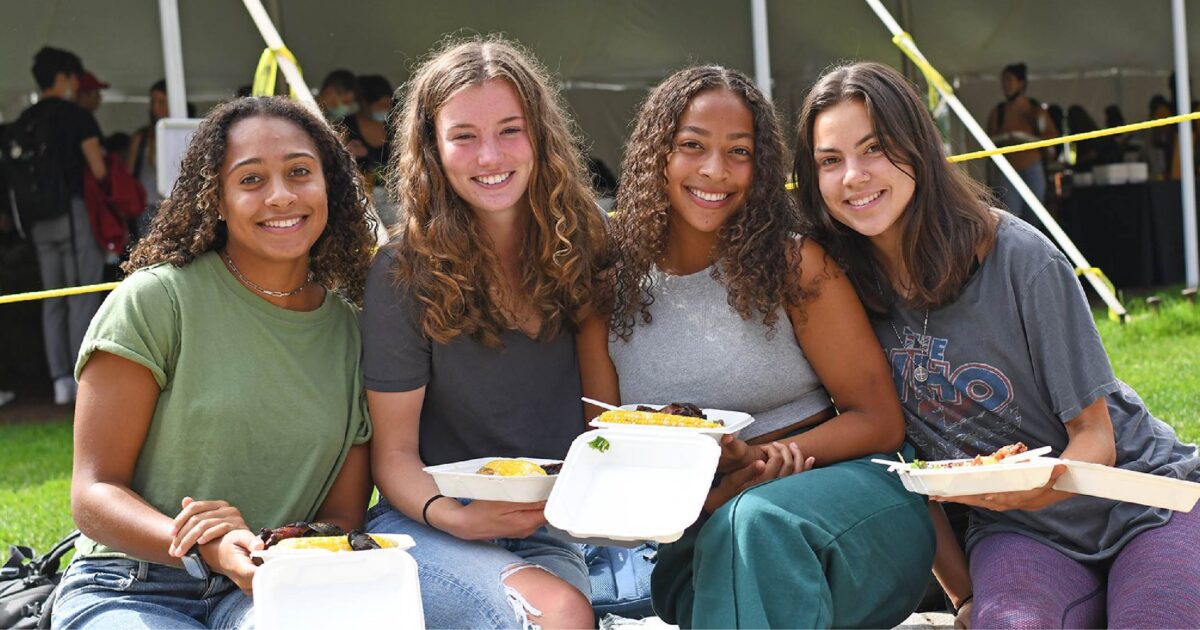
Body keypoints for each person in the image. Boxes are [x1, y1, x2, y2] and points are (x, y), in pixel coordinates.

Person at [792, 61, 1200, 629]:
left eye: (875, 149)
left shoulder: (1020, 259)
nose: (853, 176)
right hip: (1018, 532)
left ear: (918, 148)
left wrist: (1033, 490)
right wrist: (963, 598)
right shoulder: (839, 294)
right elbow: (895, 461)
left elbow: (1096, 438)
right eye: (829, 161)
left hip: (1148, 503)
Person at [576, 65, 935, 629]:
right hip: (702, 533)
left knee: (756, 525)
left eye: (739, 152)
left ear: (760, 166)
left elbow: (880, 421)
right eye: (692, 146)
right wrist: (714, 499)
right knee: (739, 536)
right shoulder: (606, 295)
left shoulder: (794, 265)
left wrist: (767, 463)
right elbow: (604, 454)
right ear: (657, 156)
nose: (715, 171)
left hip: (855, 506)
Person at [52, 96, 377, 628]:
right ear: (217, 199)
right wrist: (207, 546)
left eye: (300, 172)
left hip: (272, 586)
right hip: (134, 584)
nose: (280, 195)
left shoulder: (352, 333)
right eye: (250, 180)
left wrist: (270, 550)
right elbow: (93, 494)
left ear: (330, 188)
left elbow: (340, 518)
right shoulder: (157, 301)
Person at [362, 38, 607, 629]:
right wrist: (457, 517)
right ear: (434, 149)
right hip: (428, 527)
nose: (489, 155)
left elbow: (605, 419)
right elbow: (392, 456)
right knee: (559, 614)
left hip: (547, 530)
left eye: (510, 130)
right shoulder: (403, 268)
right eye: (463, 136)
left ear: (540, 136)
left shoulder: (590, 242)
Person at [5, 47, 107, 406]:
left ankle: (59, 381)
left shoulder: (23, 121)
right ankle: (83, 379)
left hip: (37, 222)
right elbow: (98, 168)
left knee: (52, 298)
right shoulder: (75, 117)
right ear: (63, 78)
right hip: (72, 214)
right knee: (83, 292)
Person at [985, 63, 1058, 223]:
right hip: (1007, 169)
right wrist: (1006, 138)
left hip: (1032, 166)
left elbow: (1050, 139)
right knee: (1012, 217)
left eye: (1010, 80)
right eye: (1003, 81)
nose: (1005, 85)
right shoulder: (998, 112)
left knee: (1035, 215)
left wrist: (1023, 137)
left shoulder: (1035, 109)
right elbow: (986, 141)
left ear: (1021, 83)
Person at [343, 74, 397, 227]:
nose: (386, 109)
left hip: (394, 201)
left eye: (389, 104)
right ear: (364, 104)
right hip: (361, 203)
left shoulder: (395, 123)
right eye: (380, 105)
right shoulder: (346, 127)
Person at [126, 80, 170, 239]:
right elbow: (128, 177)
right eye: (153, 102)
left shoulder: (179, 133)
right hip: (146, 206)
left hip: (174, 205)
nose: (156, 108)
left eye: (162, 102)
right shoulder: (141, 137)